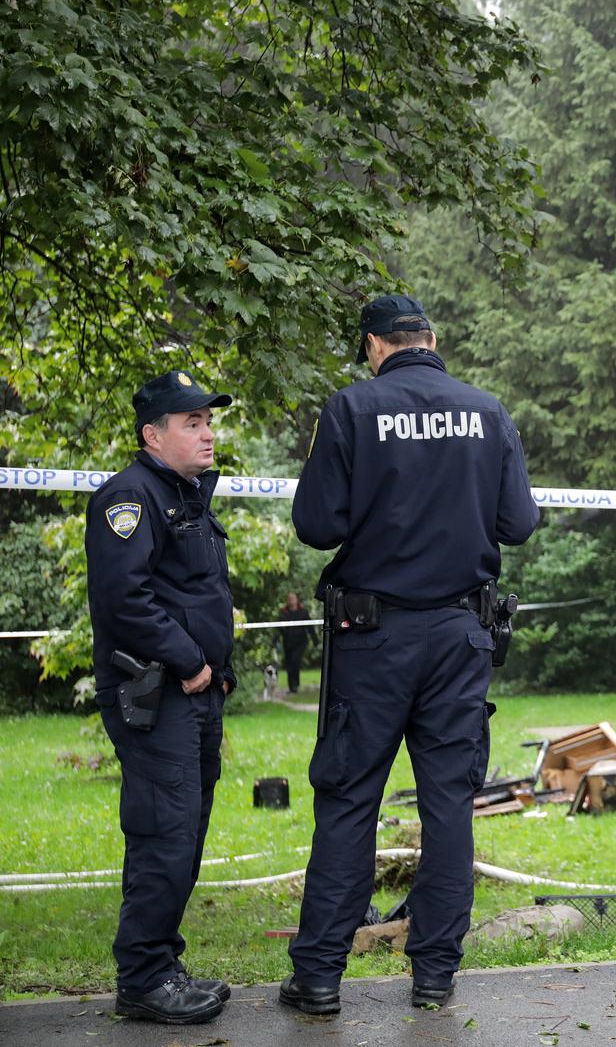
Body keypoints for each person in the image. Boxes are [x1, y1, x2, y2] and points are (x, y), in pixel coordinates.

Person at [279, 294, 538, 1015]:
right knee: (449, 804)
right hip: (460, 639)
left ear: (373, 346)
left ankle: (321, 977)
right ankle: (434, 975)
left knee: (350, 800)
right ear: (433, 338)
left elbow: (316, 523)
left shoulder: (352, 409)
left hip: (374, 638)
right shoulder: (486, 411)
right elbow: (519, 522)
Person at [84, 370, 237, 1024]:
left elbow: (191, 591)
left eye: (209, 421)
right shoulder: (129, 497)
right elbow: (127, 600)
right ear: (153, 434)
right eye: (192, 423)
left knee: (185, 831)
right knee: (163, 833)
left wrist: (215, 669)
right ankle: (143, 977)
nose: (207, 433)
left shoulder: (184, 494)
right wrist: (190, 662)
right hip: (158, 693)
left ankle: (160, 964)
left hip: (196, 693)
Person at [277, 591, 311, 694]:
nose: (291, 600)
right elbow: (279, 628)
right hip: (288, 643)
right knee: (289, 664)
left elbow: (310, 626)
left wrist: (316, 640)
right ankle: (291, 687)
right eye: (289, 598)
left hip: (300, 643)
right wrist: (276, 639)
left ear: (297, 599)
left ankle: (296, 684)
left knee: (295, 661)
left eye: (293, 598)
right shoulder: (284, 612)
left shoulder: (303, 612)